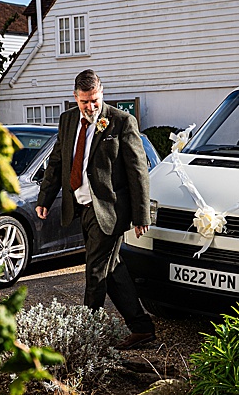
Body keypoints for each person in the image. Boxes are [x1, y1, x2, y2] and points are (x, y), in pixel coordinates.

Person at [35, 70, 158, 350]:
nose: (91, 107)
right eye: (84, 102)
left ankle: (85, 336)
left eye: (95, 100)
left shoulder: (122, 121)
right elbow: (57, 162)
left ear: (101, 93)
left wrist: (141, 215)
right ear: (75, 98)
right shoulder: (67, 121)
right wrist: (44, 199)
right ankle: (142, 328)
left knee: (95, 271)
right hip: (80, 206)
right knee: (112, 269)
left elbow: (138, 171)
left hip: (109, 210)